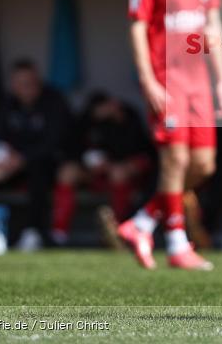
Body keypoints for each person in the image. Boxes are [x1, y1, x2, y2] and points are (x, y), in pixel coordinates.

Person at [116, 0, 222, 271]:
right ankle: (178, 244)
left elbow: (212, 25)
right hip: (167, 79)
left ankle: (143, 221)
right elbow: (137, 26)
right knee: (176, 158)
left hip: (199, 82)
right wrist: (148, 80)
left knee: (203, 166)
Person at [0, 59, 72, 250]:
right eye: (21, 84)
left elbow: (54, 142)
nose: (27, 88)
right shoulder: (6, 104)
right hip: (10, 165)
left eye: (30, 83)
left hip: (42, 163)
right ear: (14, 85)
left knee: (38, 171)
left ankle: (33, 232)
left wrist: (23, 158)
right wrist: (2, 156)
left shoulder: (54, 102)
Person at [51, 92, 153, 245]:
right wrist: (87, 161)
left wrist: (112, 164)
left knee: (118, 173)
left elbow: (143, 153)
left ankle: (119, 229)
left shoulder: (129, 117)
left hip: (123, 174)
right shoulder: (89, 120)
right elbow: (73, 148)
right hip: (95, 174)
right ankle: (58, 232)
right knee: (67, 172)